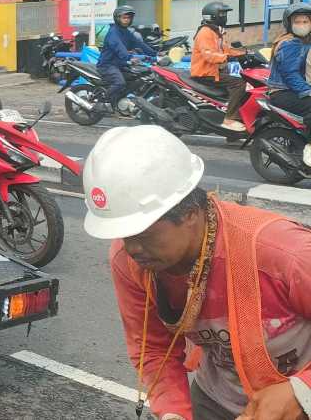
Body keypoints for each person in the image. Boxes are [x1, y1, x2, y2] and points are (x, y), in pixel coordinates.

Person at [82, 125, 311, 420]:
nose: (132, 248)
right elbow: (152, 348)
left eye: (142, 233)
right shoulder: (129, 260)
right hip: (216, 401)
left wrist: (302, 391)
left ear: (190, 213)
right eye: (122, 234)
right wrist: (173, 413)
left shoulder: (283, 253)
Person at [191, 0, 247, 131]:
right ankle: (229, 119)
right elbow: (209, 55)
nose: (225, 17)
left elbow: (226, 49)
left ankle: (233, 126)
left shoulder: (216, 32)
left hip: (217, 71)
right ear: (213, 16)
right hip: (205, 73)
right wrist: (228, 57)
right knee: (239, 84)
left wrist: (245, 53)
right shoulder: (205, 32)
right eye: (222, 14)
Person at [267, 2, 311, 166]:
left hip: (296, 89)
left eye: (305, 21)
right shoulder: (289, 43)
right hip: (282, 92)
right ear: (289, 24)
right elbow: (290, 74)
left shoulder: (306, 41)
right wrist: (307, 91)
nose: (302, 25)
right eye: (297, 22)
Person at [96, 5, 157, 113]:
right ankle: (102, 101)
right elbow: (118, 47)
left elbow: (139, 44)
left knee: (138, 79)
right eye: (124, 18)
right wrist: (129, 58)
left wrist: (155, 54)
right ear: (117, 18)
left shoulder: (126, 32)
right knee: (120, 82)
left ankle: (117, 99)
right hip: (107, 65)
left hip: (121, 65)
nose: (126, 20)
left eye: (128, 18)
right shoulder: (113, 32)